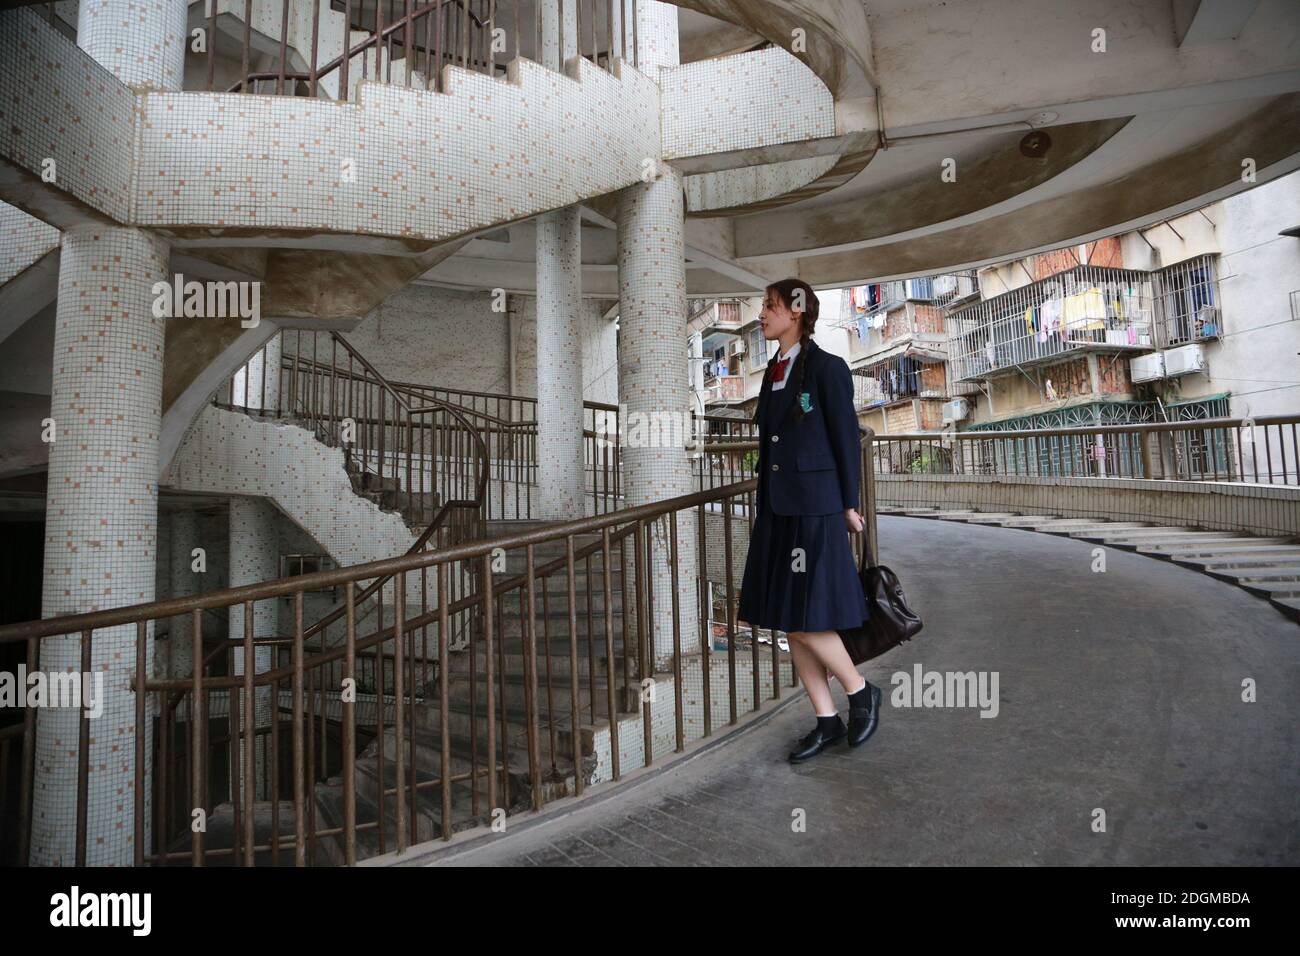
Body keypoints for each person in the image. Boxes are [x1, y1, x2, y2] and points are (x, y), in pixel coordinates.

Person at [736, 278, 882, 763]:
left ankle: (860, 692)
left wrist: (848, 504)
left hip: (816, 506)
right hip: (778, 508)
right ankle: (826, 720)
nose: (762, 315)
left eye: (769, 307)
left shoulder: (827, 367)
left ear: (795, 312)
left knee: (808, 617)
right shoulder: (774, 369)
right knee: (788, 619)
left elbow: (844, 438)